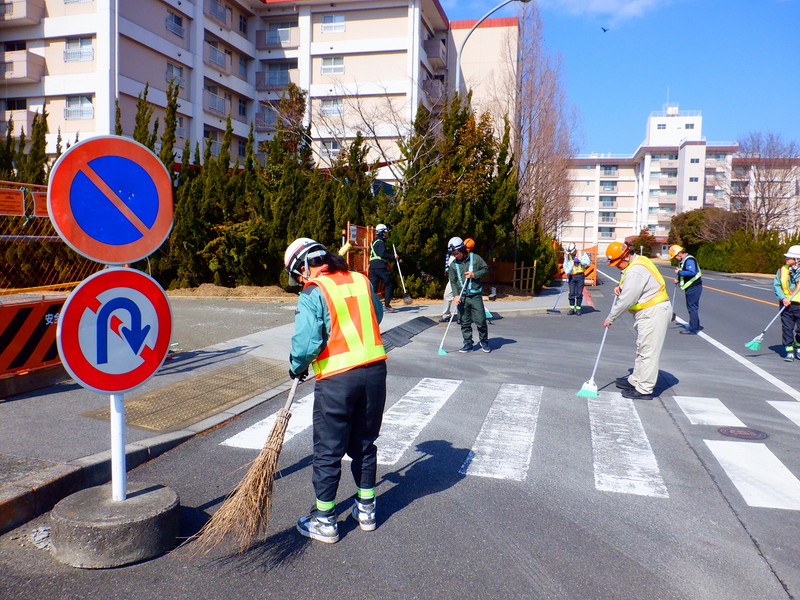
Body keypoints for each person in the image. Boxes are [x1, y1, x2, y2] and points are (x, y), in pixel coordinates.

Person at [284, 237, 388, 543]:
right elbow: (376, 316)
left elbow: (306, 343)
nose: (300, 279)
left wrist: (297, 366)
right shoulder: (360, 280)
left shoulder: (314, 291)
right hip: (374, 372)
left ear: (304, 266)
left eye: (298, 273)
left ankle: (325, 520)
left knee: (328, 449)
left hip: (338, 379)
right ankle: (366, 509)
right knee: (365, 443)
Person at [604, 241, 671, 400]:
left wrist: (610, 318)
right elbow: (631, 288)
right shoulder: (636, 263)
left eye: (617, 262)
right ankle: (635, 380)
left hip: (653, 312)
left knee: (648, 351)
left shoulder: (636, 270)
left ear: (625, 255)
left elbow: (627, 299)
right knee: (642, 347)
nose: (616, 266)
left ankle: (644, 388)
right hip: (648, 312)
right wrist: (621, 287)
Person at [448, 236, 491, 353]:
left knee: (481, 320)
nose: (455, 256)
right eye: (453, 254)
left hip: (475, 296)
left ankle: (484, 341)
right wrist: (456, 295)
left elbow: (485, 269)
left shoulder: (476, 259)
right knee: (464, 321)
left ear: (462, 250)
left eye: (457, 254)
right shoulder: (453, 265)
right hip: (462, 297)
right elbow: (453, 281)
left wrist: (474, 275)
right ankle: (468, 343)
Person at [773, 244, 800, 362]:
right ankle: (789, 350)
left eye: (789, 258)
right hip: (786, 304)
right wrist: (783, 298)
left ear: (797, 260)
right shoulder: (782, 270)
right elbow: (777, 285)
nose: (786, 259)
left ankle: (798, 347)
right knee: (787, 327)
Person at [669, 244, 703, 334]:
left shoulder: (689, 260)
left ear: (679, 253)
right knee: (692, 307)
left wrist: (679, 272)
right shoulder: (684, 261)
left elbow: (691, 272)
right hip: (691, 286)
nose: (675, 258)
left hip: (694, 286)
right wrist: (679, 280)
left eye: (675, 256)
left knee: (692, 307)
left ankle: (693, 328)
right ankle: (695, 325)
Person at [440, 238, 474, 323]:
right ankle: (446, 315)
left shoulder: (465, 255)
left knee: (460, 297)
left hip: (461, 279)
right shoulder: (450, 254)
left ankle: (461, 316)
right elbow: (448, 263)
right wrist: (446, 270)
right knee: (447, 295)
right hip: (452, 279)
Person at [368, 223, 398, 313]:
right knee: (389, 283)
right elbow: (382, 254)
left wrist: (386, 262)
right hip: (380, 267)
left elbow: (376, 255)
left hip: (372, 267)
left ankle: (370, 305)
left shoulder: (373, 242)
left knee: (373, 287)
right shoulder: (381, 242)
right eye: (385, 232)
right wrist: (393, 256)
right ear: (381, 233)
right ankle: (387, 305)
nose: (386, 234)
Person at [564, 242, 591, 315]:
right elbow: (565, 265)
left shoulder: (581, 254)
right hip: (571, 276)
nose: (570, 254)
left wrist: (580, 261)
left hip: (580, 276)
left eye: (571, 252)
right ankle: (572, 309)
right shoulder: (568, 256)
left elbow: (588, 262)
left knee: (579, 293)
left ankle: (578, 309)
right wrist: (567, 272)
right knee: (572, 293)